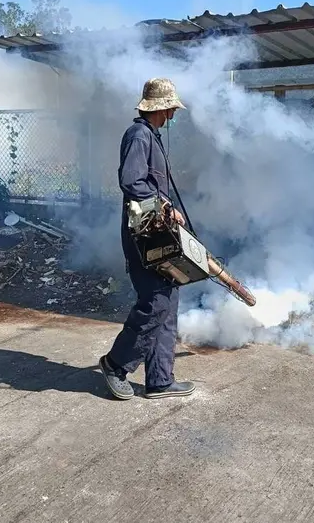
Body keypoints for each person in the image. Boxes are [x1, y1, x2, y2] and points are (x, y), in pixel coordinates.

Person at [99, 78, 196, 400]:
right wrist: (166, 205)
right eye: (171, 108)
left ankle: (160, 380)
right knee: (155, 303)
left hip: (154, 233)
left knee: (167, 302)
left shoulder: (150, 136)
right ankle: (116, 364)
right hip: (144, 236)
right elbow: (131, 182)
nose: (173, 114)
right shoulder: (139, 135)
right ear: (164, 108)